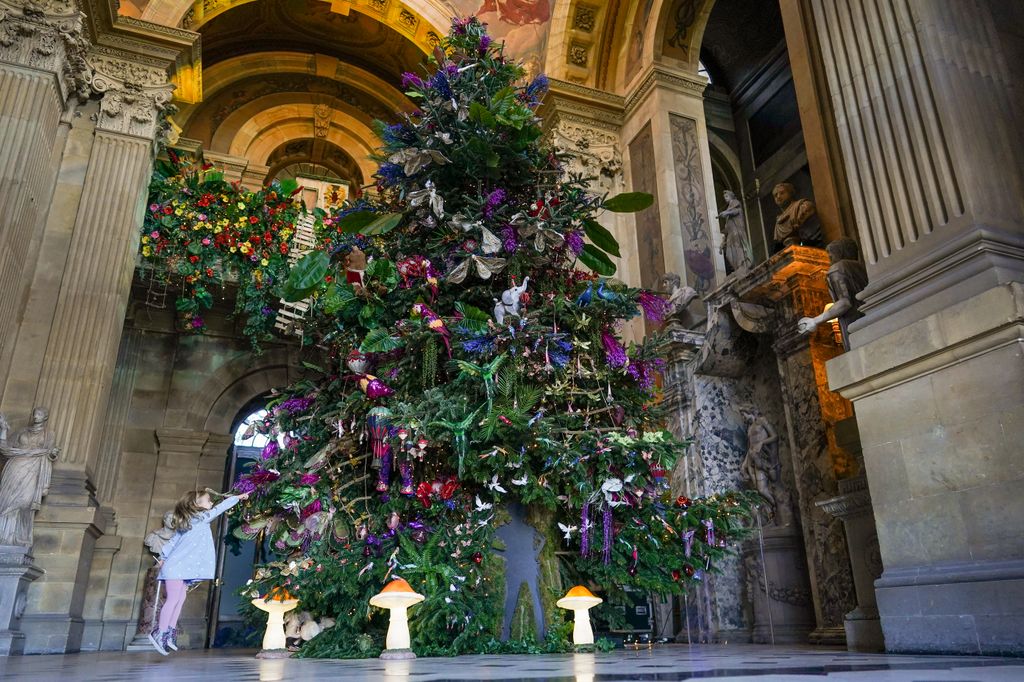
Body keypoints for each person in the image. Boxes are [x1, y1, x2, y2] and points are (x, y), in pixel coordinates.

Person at [148, 488, 249, 655]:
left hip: (181, 568)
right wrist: (237, 497)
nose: (211, 503)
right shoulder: (201, 518)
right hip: (175, 567)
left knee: (180, 599)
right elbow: (220, 508)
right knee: (173, 600)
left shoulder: (188, 522)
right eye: (208, 500)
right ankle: (160, 632)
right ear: (197, 504)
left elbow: (173, 541)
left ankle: (170, 632)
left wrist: (164, 557)